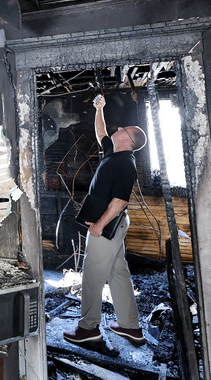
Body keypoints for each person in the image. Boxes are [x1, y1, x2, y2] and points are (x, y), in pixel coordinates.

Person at [63, 93, 148, 347]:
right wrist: (99, 108)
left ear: (129, 140)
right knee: (118, 273)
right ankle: (130, 327)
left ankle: (88, 329)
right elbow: (101, 132)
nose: (119, 128)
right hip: (116, 224)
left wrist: (99, 225)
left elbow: (120, 201)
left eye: (124, 129)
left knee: (92, 275)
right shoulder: (113, 152)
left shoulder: (126, 164)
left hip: (109, 224)